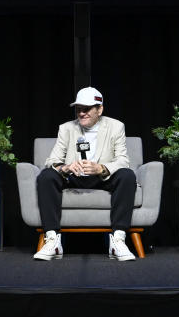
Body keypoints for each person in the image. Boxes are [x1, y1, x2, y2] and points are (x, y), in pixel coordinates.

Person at [33, 87, 138, 261]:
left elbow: (123, 161)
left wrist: (101, 168)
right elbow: (52, 161)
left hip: (101, 178)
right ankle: (52, 239)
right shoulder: (66, 128)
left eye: (87, 109)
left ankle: (118, 239)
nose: (81, 113)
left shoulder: (116, 126)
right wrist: (65, 167)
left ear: (100, 109)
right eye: (79, 109)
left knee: (127, 175)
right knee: (46, 176)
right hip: (74, 178)